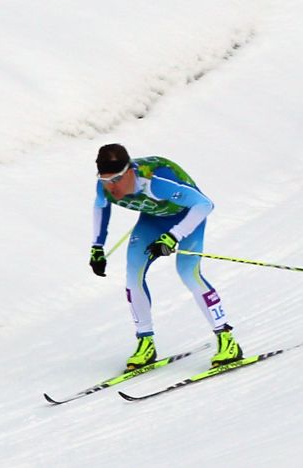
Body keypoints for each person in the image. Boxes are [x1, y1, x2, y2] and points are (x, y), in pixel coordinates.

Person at [88, 143, 242, 371]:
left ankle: (227, 339)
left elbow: (204, 204)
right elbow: (100, 208)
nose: (112, 187)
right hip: (152, 220)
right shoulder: (105, 187)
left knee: (188, 272)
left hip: (186, 217)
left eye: (117, 179)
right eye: (105, 180)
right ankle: (145, 342)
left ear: (129, 171)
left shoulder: (156, 181)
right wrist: (97, 247)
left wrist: (173, 236)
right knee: (133, 276)